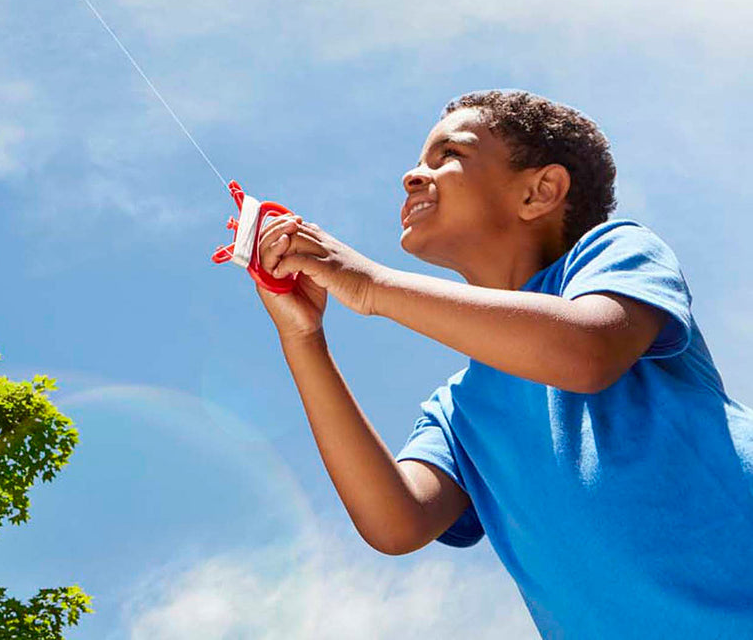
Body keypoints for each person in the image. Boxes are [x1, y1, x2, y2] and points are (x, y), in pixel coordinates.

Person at [256, 89, 753, 640]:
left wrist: (373, 286)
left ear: (540, 192)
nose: (412, 175)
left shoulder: (613, 252)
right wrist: (304, 339)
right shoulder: (458, 410)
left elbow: (586, 353)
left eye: (448, 156)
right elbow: (395, 523)